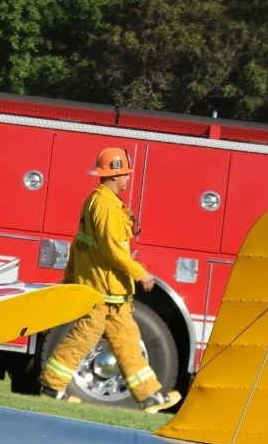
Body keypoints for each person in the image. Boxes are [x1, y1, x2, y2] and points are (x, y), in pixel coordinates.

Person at [40, 147, 181, 413]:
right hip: (102, 292)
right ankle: (51, 386)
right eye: (126, 174)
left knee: (128, 340)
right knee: (83, 338)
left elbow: (81, 245)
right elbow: (113, 249)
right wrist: (140, 273)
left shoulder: (98, 201)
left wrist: (69, 277)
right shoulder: (105, 206)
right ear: (115, 175)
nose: (128, 178)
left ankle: (149, 396)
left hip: (112, 294)